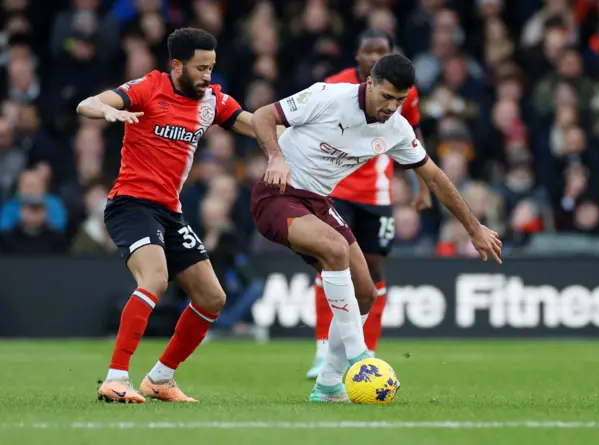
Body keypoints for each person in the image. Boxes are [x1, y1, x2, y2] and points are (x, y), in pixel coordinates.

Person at [250, 54, 502, 402]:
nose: (391, 107)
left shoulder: (396, 127)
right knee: (336, 250)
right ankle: (360, 360)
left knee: (367, 292)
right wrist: (275, 157)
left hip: (319, 204)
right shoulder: (328, 96)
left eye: (400, 100)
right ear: (369, 82)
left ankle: (327, 385)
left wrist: (474, 228)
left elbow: (434, 176)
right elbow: (265, 115)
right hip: (277, 195)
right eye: (386, 97)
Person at [76, 28, 265, 404]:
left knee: (212, 297)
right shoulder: (149, 86)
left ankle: (160, 378)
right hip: (131, 204)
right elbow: (86, 104)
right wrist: (108, 109)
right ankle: (115, 378)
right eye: (200, 68)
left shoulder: (211, 101)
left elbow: (248, 122)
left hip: (170, 213)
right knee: (156, 278)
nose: (207, 76)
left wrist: (288, 128)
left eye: (211, 68)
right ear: (177, 64)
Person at [307, 28, 432, 379]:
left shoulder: (405, 93)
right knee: (332, 262)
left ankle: (368, 351)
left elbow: (413, 134)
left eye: (383, 50)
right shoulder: (337, 86)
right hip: (338, 189)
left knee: (374, 271)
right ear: (358, 58)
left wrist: (420, 184)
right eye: (369, 51)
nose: (375, 56)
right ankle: (322, 352)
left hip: (378, 195)